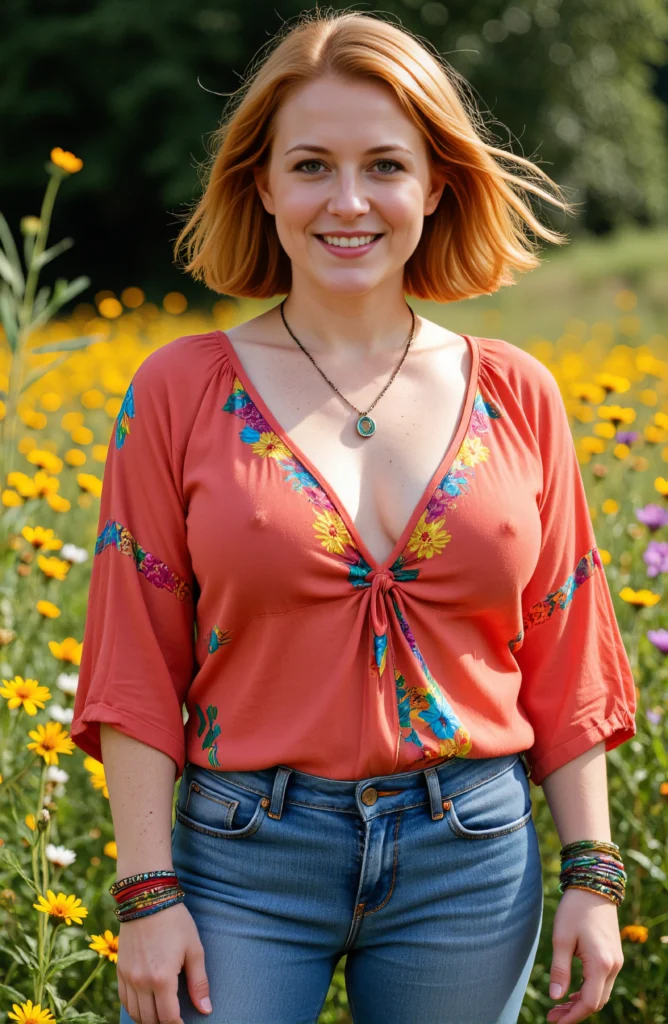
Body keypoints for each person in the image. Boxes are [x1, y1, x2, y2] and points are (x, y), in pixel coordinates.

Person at [70, 10, 637, 1024]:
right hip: (238, 858)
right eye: (309, 166)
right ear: (261, 184)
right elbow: (133, 662)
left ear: (435, 184)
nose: (347, 201)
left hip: (470, 860)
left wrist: (591, 877)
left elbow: (567, 645)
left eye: (383, 165)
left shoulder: (518, 394)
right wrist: (145, 895)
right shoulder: (176, 390)